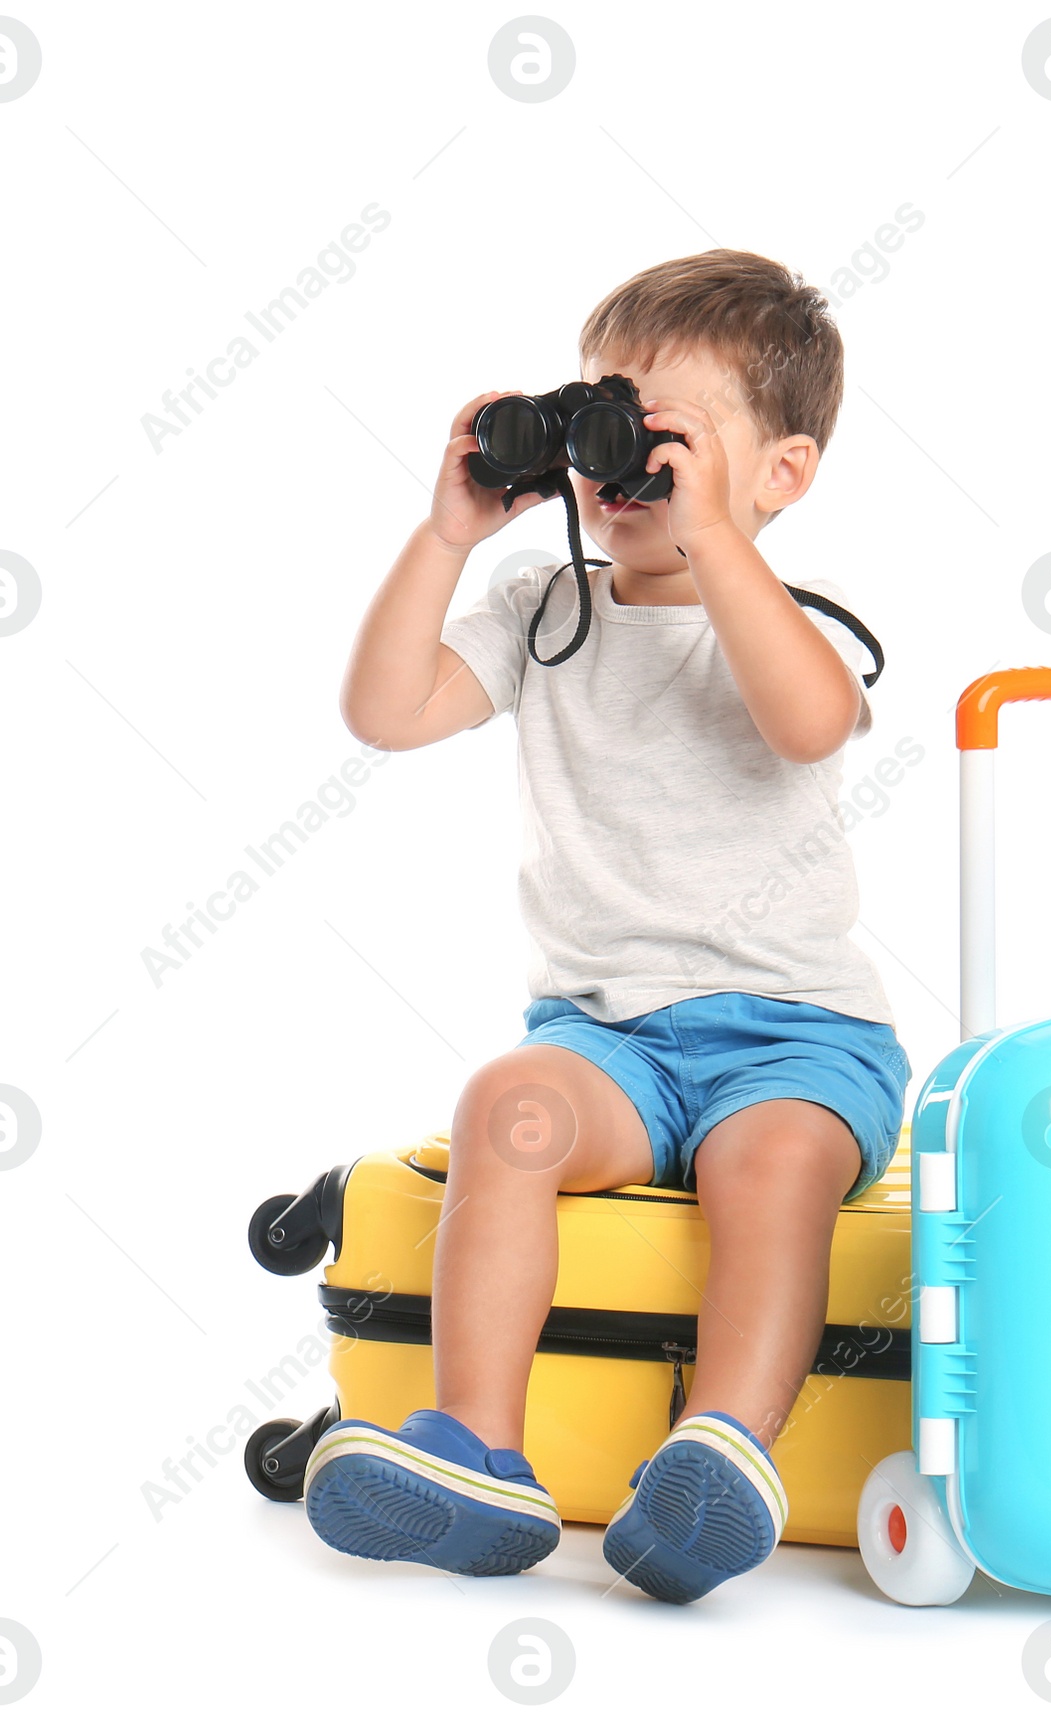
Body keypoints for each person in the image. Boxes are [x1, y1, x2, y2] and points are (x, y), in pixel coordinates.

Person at [302, 250, 907, 1603]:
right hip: (605, 1043)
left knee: (770, 1168)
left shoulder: (795, 630)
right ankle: (478, 1455)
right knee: (506, 1107)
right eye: (601, 427)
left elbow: (806, 720)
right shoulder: (544, 611)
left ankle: (725, 1453)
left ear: (779, 475)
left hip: (799, 1040)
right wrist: (453, 531)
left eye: (663, 441)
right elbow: (385, 712)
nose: (619, 469)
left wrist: (710, 541)